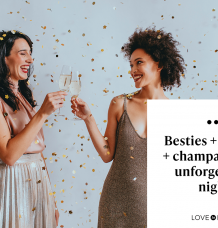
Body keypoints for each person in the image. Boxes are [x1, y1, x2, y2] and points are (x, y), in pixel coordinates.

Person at [70, 27, 185, 227]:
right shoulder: (119, 103)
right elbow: (107, 155)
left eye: (139, 63)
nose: (133, 70)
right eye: (131, 64)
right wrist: (88, 118)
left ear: (160, 65)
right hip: (115, 202)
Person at [0, 30, 66, 228]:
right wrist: (42, 114)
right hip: (10, 182)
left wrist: (52, 200)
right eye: (23, 53)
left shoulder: (22, 95)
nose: (30, 60)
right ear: (3, 57)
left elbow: (38, 152)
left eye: (30, 54)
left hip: (39, 183)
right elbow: (9, 156)